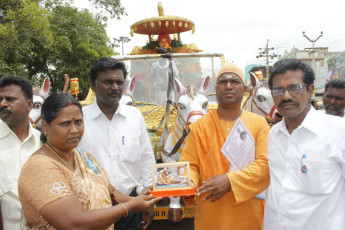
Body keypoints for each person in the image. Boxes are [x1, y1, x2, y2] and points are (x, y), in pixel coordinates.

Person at [18, 93, 161, 229]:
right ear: (45, 126)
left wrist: (141, 199)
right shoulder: (39, 167)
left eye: (78, 122)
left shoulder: (83, 157)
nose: (74, 130)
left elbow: (111, 193)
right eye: (65, 124)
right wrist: (130, 207)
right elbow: (75, 224)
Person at [179, 63, 270, 230]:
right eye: (223, 81)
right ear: (216, 89)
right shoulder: (200, 126)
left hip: (249, 216)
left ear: (244, 89)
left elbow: (265, 166)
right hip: (211, 216)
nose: (228, 85)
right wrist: (189, 182)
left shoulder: (259, 123)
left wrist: (230, 181)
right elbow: (190, 165)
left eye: (234, 81)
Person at [263, 59, 345, 230]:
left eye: (295, 88)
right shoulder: (274, 135)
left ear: (310, 90)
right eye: (279, 90)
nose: (286, 96)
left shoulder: (338, 132)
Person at [78, 57, 156, 230]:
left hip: (131, 206)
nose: (115, 87)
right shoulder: (79, 119)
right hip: (91, 209)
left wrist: (150, 201)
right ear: (93, 85)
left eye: (119, 82)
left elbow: (146, 159)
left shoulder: (135, 116)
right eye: (107, 82)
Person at [0, 75, 41, 230]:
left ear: (29, 104)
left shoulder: (43, 142)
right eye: (0, 99)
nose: (3, 104)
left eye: (10, 99)